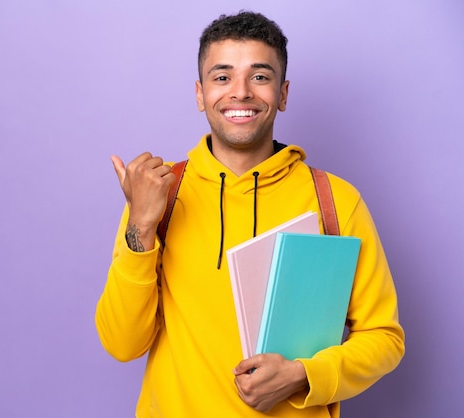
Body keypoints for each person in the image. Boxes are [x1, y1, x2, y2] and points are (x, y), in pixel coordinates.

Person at [95, 10, 405, 417]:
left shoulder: (335, 200)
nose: (240, 92)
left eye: (260, 76)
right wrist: (141, 224)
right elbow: (122, 343)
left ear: (283, 93)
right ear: (200, 93)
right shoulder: (158, 196)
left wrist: (303, 375)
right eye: (222, 77)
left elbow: (384, 338)